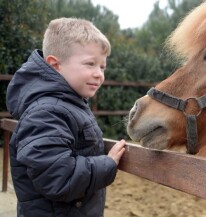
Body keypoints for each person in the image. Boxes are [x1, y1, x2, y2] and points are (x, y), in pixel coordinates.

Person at [6, 17, 126, 217]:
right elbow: (57, 178)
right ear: (55, 65)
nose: (99, 74)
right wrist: (108, 164)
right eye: (90, 64)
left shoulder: (65, 105)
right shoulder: (47, 112)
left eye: (102, 67)